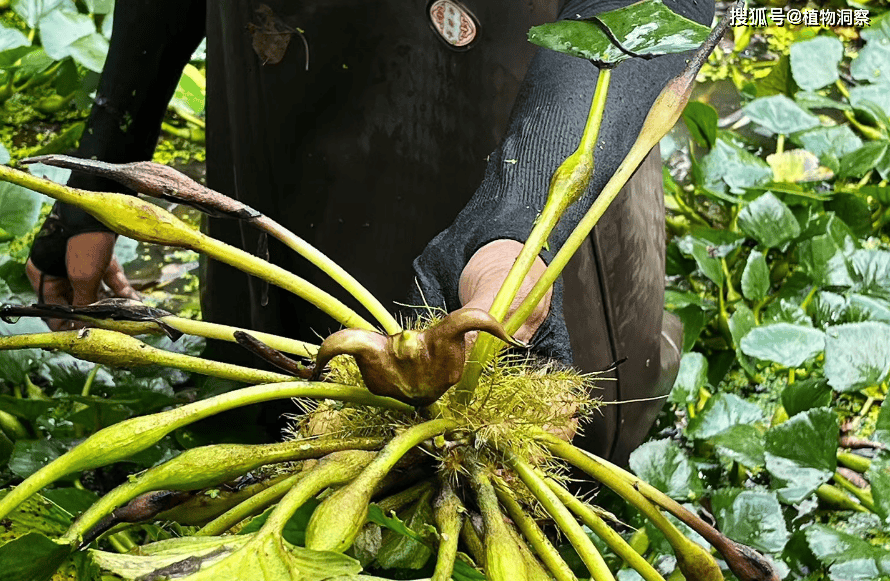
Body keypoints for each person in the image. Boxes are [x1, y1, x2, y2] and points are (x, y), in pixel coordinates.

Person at [24, 0, 715, 464]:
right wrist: (101, 176)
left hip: (522, 106)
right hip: (280, 133)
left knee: (543, 456)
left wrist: (519, 222)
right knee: (287, 416)